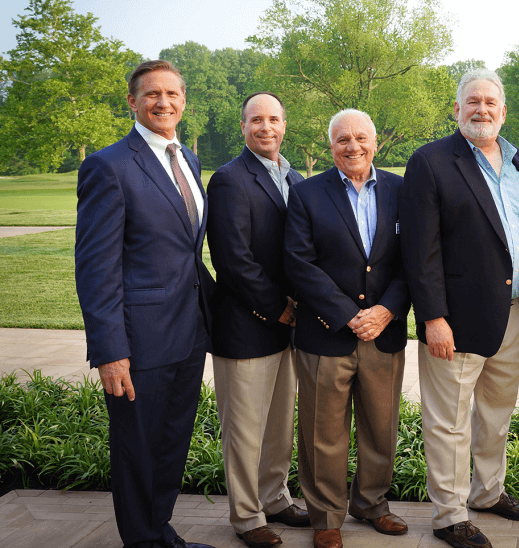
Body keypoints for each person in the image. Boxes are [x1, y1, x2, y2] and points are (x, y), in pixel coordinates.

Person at [399, 68, 519, 548]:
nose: (481, 109)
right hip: (456, 318)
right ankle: (449, 514)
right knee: (448, 419)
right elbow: (419, 250)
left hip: (513, 308)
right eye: (472, 102)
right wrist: (433, 318)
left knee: (495, 412)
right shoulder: (431, 162)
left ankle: (488, 492)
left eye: (490, 102)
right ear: (458, 110)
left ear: (503, 111)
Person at [75, 60, 216, 548]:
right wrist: (109, 350)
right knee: (138, 449)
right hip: (138, 341)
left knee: (171, 444)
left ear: (183, 102)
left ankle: (160, 533)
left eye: (172, 94)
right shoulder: (108, 166)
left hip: (188, 332)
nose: (163, 102)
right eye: (151, 94)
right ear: (132, 102)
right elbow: (96, 268)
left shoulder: (189, 161)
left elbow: (185, 252)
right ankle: (142, 541)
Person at [283, 109, 410, 548]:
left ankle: (372, 504)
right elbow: (299, 263)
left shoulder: (401, 188)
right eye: (342, 140)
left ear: (375, 142)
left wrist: (387, 310)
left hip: (385, 333)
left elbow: (416, 258)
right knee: (324, 433)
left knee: (381, 427)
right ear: (330, 145)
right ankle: (326, 517)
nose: (352, 147)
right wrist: (347, 314)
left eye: (360, 138)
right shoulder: (306, 194)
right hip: (326, 333)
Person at [206, 91, 309, 548]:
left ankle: (276, 497)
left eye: (273, 119)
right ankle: (248, 517)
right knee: (245, 430)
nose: (265, 127)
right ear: (242, 126)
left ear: (285, 124)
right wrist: (277, 306)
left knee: (278, 423)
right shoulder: (230, 179)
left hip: (289, 326)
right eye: (255, 120)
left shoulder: (296, 177)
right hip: (247, 325)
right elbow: (233, 260)